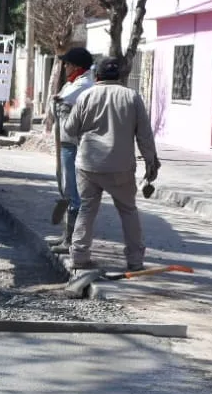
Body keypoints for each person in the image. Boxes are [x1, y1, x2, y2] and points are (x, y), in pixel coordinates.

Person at [65, 55, 160, 273]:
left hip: (88, 165)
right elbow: (144, 134)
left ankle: (79, 257)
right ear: (119, 75)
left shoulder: (86, 96)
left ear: (96, 75)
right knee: (128, 210)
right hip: (120, 167)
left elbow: (70, 129)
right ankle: (135, 261)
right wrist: (151, 163)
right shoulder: (132, 97)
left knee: (87, 210)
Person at [49, 46, 97, 253]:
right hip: (66, 141)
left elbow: (57, 103)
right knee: (66, 188)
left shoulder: (83, 85)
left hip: (73, 143)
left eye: (67, 63)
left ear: (76, 66)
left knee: (72, 191)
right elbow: (55, 105)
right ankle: (66, 237)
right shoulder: (73, 84)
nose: (65, 67)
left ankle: (71, 241)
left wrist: (56, 103)